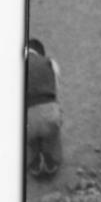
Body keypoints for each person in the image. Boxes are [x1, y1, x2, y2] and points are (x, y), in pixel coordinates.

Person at [26, 38, 63, 180]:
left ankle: (33, 162)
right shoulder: (50, 62)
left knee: (28, 136)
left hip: (27, 120)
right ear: (40, 52)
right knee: (52, 131)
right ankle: (50, 160)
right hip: (49, 113)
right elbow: (56, 93)